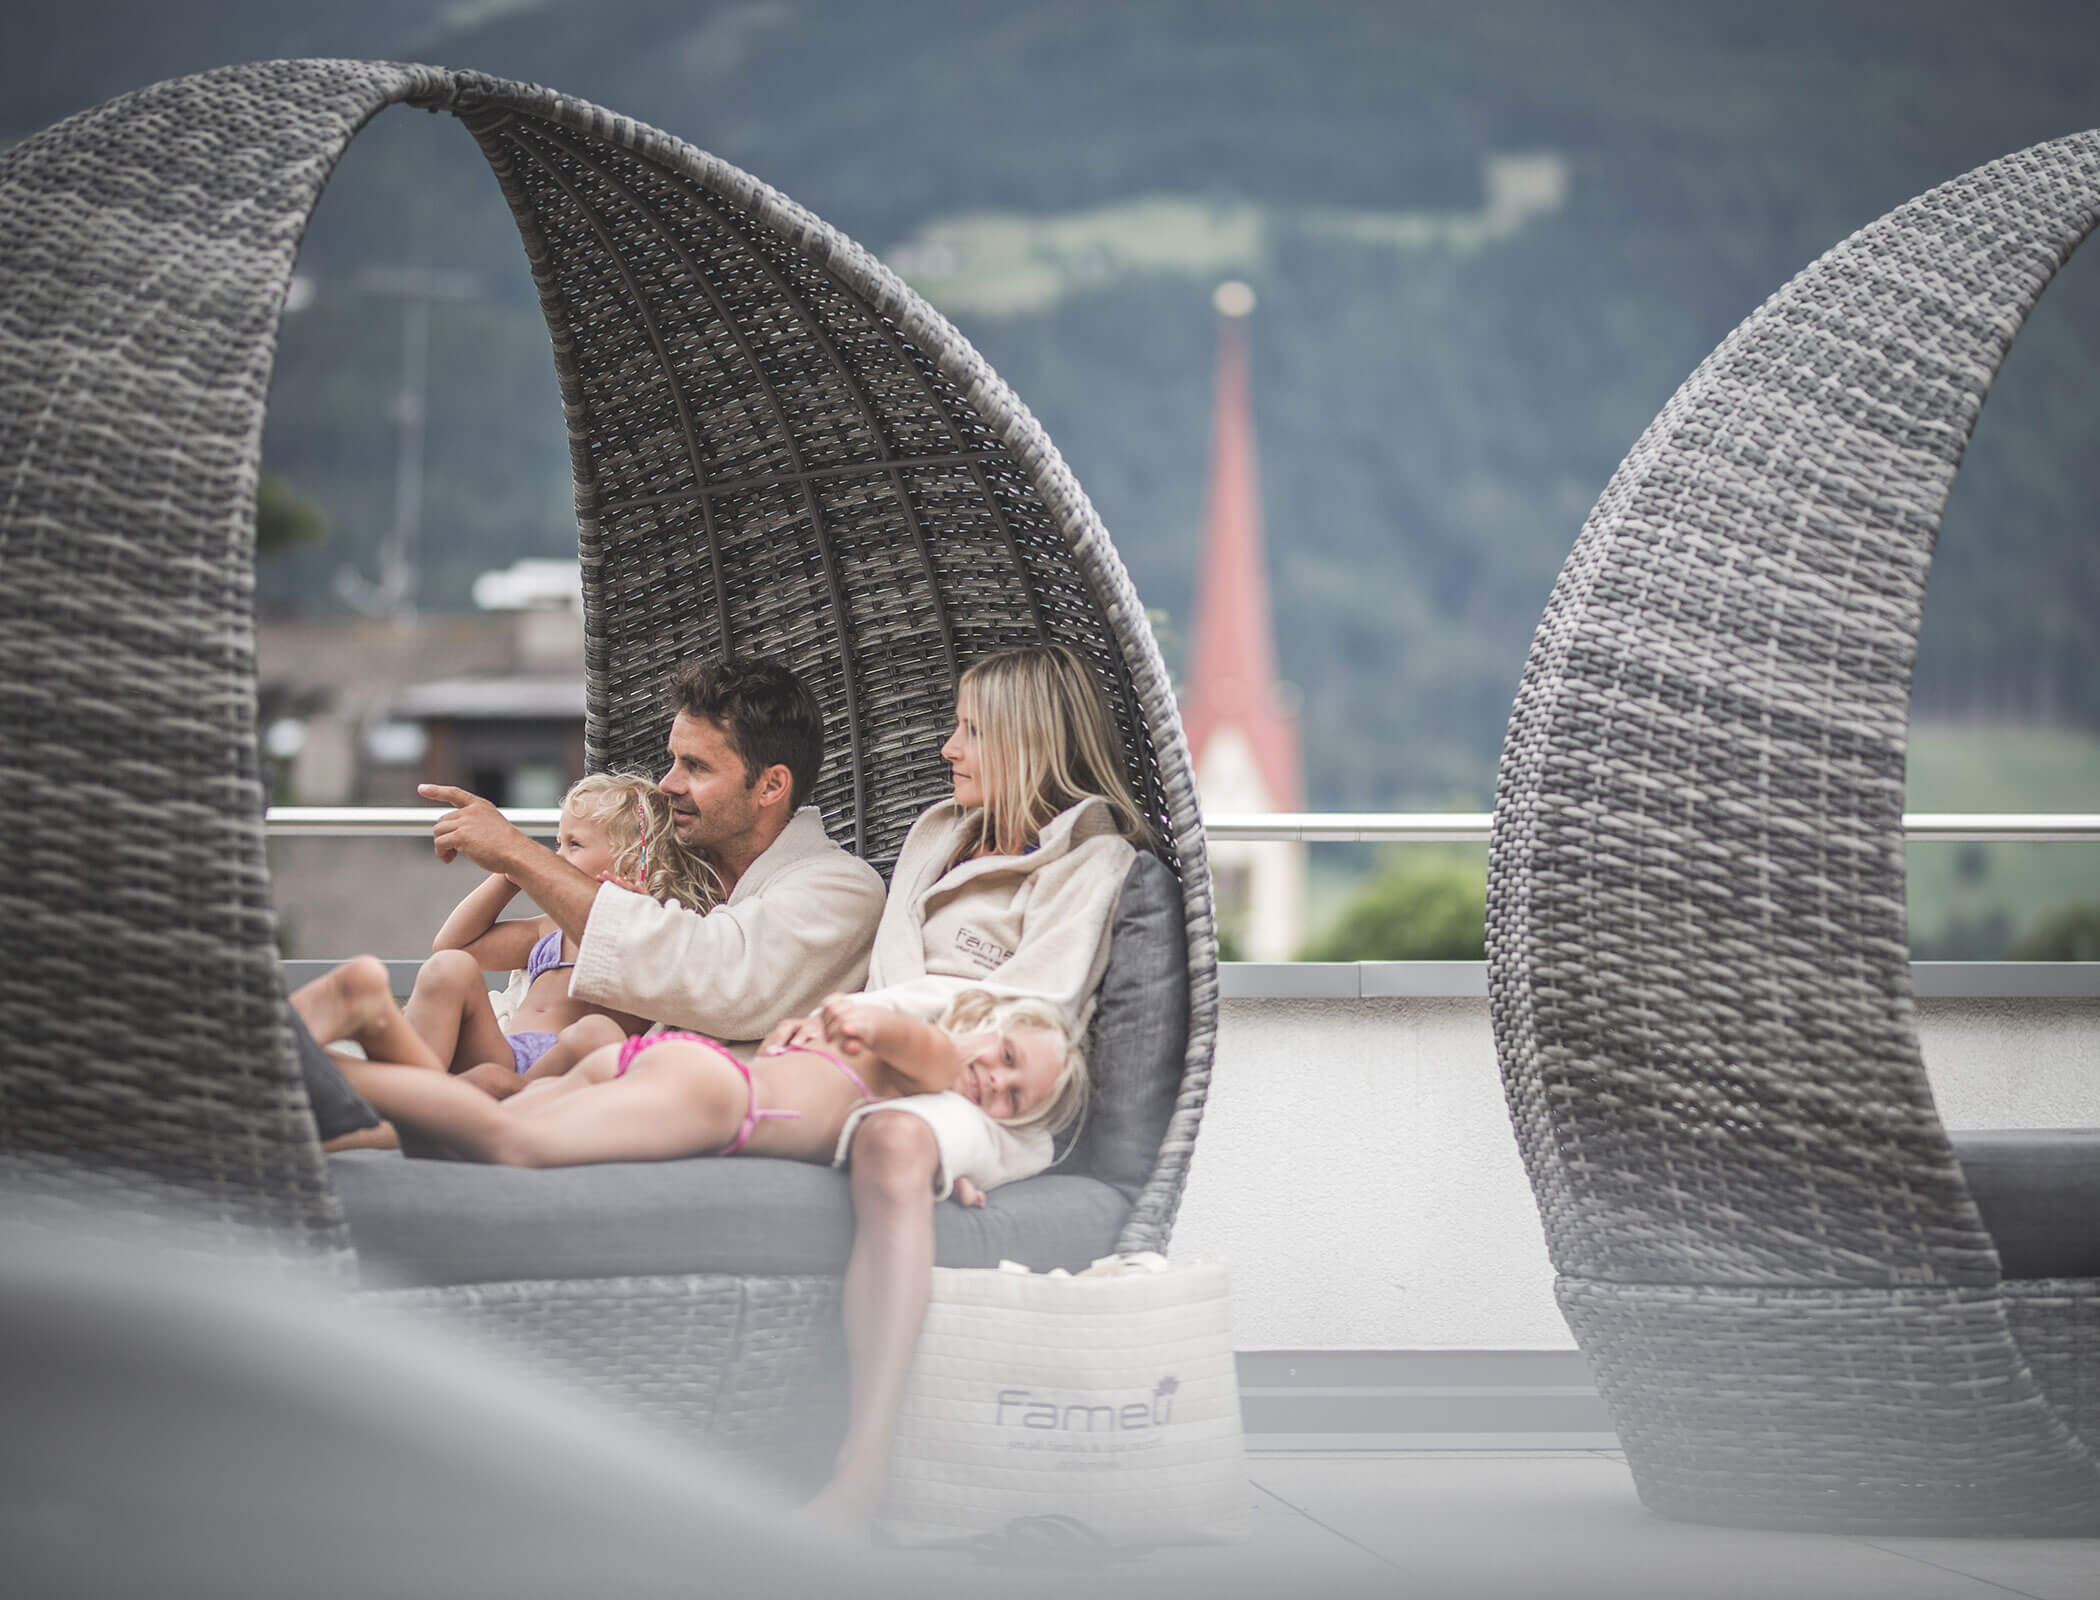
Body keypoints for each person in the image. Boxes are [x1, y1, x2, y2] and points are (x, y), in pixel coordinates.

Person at [777, 641, 1157, 1529]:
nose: (948, 749)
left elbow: (1030, 1019)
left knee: (895, 1139)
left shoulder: (1089, 861)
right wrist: (834, 1017)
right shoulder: (932, 834)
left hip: (992, 1088)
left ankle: (862, 1466)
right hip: (886, 1049)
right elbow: (884, 976)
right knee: (759, 1083)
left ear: (1030, 742)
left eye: (972, 731)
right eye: (955, 726)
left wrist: (896, 1038)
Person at [418, 658, 886, 1046]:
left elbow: (715, 978)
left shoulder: (842, 889)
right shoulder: (656, 866)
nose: (668, 783)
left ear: (771, 786)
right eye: (673, 759)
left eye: (696, 767)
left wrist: (516, 853)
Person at [332, 983, 1088, 1173]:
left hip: (671, 1067)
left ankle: (318, 1123)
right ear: (987, 1026)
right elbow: (921, 1045)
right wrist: (870, 1023)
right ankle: (339, 1040)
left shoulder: (953, 1127)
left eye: (1016, 1099)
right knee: (509, 1145)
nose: (993, 1083)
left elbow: (999, 1154)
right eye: (1008, 1059)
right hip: (715, 1095)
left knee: (461, 1133)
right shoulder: (940, 1059)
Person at [406, 772, 721, 1099]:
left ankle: (465, 1102)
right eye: (558, 844)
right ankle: (407, 1091)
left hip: (564, 1072)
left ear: (630, 862)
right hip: (505, 1053)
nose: (554, 858)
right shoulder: (549, 927)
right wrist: (510, 871)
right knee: (448, 968)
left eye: (574, 845)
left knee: (592, 1032)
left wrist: (632, 911)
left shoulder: (653, 928)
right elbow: (456, 946)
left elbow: (656, 989)